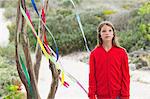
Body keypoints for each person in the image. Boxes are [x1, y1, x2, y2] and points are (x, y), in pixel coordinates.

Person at [88, 21, 130, 99]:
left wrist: (125, 95)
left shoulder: (121, 52)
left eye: (110, 30)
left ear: (113, 34)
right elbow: (92, 77)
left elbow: (126, 76)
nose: (107, 33)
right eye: (104, 31)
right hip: (101, 96)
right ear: (100, 35)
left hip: (118, 96)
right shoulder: (94, 54)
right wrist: (92, 95)